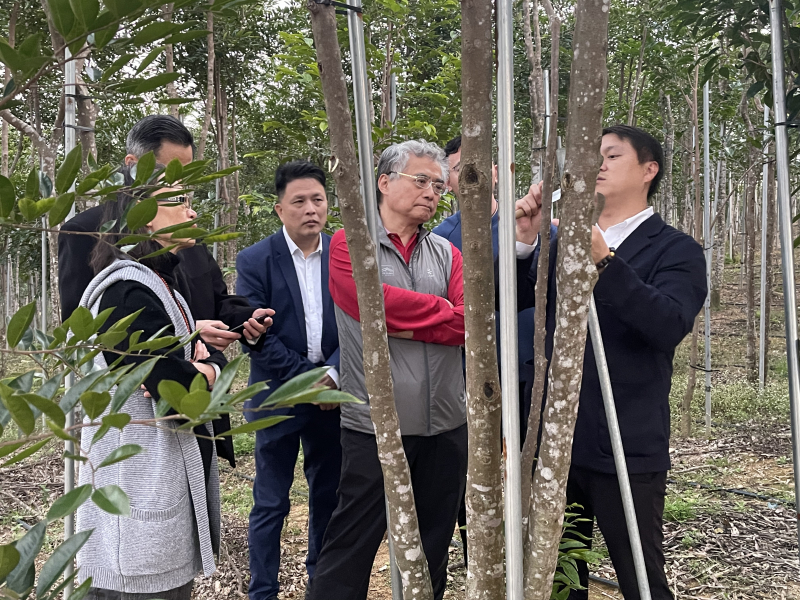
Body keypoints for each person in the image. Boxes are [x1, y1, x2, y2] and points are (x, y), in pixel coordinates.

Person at [512, 125, 707, 600]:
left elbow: (668, 324)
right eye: (593, 155)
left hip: (627, 437)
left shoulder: (676, 249)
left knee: (641, 576)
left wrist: (606, 263)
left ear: (648, 169)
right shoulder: (561, 241)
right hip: (558, 438)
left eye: (612, 155)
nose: (598, 164)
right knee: (558, 577)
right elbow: (521, 307)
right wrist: (525, 242)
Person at [58, 114, 270, 466]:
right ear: (133, 165)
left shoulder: (184, 230)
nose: (180, 185)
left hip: (195, 405)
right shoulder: (85, 232)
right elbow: (81, 328)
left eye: (187, 175)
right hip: (137, 419)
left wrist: (245, 319)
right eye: (171, 172)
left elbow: (215, 298)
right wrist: (182, 336)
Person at [306, 140, 467, 600]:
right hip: (375, 426)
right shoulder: (348, 244)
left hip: (446, 424)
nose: (432, 192)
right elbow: (368, 303)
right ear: (384, 182)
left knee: (432, 550)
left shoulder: (448, 253)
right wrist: (439, 312)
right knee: (349, 549)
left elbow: (468, 322)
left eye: (439, 185)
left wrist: (407, 323)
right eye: (421, 180)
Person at [76, 169, 225, 599]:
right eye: (178, 201)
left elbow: (172, 379)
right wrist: (213, 367)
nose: (192, 212)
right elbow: (180, 394)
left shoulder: (158, 283)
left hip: (154, 508)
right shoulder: (126, 292)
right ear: (142, 217)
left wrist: (196, 363)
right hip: (135, 527)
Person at [235, 161, 341, 600]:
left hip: (332, 396)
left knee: (328, 497)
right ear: (280, 209)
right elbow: (255, 337)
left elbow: (358, 322)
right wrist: (309, 380)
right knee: (271, 502)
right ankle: (263, 591)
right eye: (299, 201)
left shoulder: (344, 253)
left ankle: (322, 585)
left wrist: (332, 373)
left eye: (318, 199)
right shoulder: (255, 259)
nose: (310, 209)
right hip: (277, 397)